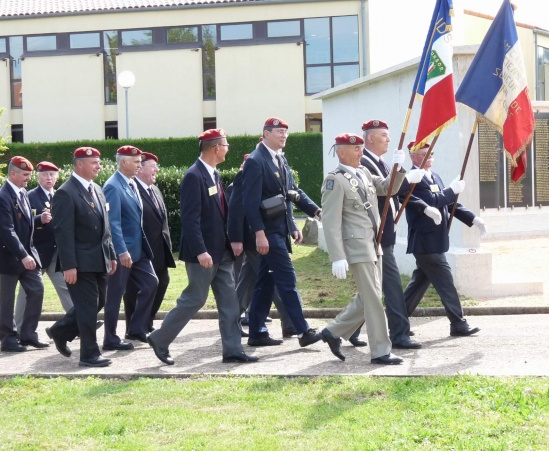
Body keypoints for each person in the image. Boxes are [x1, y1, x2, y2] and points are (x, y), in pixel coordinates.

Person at [146, 129, 257, 365]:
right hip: (204, 254)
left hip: (222, 252)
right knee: (194, 299)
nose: (228, 149)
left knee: (230, 303)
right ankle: (160, 338)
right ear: (216, 148)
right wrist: (200, 251)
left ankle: (233, 349)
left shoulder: (213, 175)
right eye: (226, 145)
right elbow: (190, 219)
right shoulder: (194, 176)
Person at [318, 133, 424, 364]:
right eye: (354, 149)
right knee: (374, 298)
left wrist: (398, 167)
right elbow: (331, 221)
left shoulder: (364, 172)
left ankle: (333, 332)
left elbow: (387, 188)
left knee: (369, 296)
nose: (359, 153)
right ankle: (380, 350)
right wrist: (337, 256)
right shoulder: (334, 180)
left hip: (373, 244)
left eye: (360, 148)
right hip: (356, 246)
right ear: (341, 152)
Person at [239, 117, 322, 348]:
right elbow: (249, 202)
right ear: (265, 134)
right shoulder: (256, 161)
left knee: (265, 283)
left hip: (279, 230)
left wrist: (313, 211)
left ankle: (256, 332)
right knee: (287, 279)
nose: (284, 135)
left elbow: (292, 192)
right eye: (279, 132)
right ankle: (303, 331)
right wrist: (259, 233)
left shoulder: (280, 159)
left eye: (286, 132)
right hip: (268, 233)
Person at [402, 142, 485, 337]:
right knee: (446, 282)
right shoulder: (413, 179)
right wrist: (451, 191)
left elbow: (449, 203)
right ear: (413, 157)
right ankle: (458, 323)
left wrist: (473, 219)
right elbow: (432, 201)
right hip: (425, 242)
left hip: (436, 241)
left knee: (418, 285)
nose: (428, 157)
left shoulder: (434, 175)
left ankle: (397, 320)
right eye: (423, 154)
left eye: (431, 154)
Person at [352, 119, 422, 349]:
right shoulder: (364, 163)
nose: (388, 139)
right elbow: (382, 190)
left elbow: (393, 190)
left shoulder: (379, 162)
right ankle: (400, 333)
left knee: (374, 287)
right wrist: (401, 174)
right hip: (376, 233)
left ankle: (349, 329)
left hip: (386, 230)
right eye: (383, 135)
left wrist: (402, 174)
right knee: (390, 285)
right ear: (370, 138)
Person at [45, 147, 117, 367]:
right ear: (79, 165)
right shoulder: (66, 192)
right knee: (87, 308)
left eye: (98, 162)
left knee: (99, 302)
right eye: (94, 162)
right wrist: (69, 266)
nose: (98, 166)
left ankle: (60, 330)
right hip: (80, 262)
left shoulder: (97, 188)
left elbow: (106, 227)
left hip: (100, 259)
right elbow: (63, 233)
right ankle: (89, 355)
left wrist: (111, 254)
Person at [102, 145, 158, 350]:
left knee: (152, 282)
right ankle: (110, 338)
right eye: (135, 162)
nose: (139, 165)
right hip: (123, 251)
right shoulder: (113, 186)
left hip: (139, 250)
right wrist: (121, 250)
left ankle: (136, 328)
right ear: (123, 162)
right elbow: (112, 222)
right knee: (115, 295)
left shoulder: (132, 183)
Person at [0, 156, 48, 352]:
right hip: (9, 258)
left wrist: (39, 220)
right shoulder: (2, 197)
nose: (28, 179)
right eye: (25, 175)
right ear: (13, 173)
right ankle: (8, 339)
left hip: (28, 256)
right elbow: (7, 231)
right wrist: (24, 255)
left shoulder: (22, 193)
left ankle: (28, 334)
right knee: (6, 300)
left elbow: (25, 222)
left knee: (37, 290)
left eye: (29, 175)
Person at [14, 161, 74, 333]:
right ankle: (18, 329)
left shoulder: (60, 195)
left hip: (57, 252)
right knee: (27, 292)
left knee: (67, 288)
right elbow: (20, 223)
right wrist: (39, 219)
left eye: (52, 175)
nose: (49, 178)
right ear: (38, 177)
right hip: (37, 252)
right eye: (45, 175)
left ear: (57, 177)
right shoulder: (29, 196)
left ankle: (76, 323)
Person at [123, 151, 175, 333]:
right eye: (153, 166)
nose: (157, 170)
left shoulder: (155, 189)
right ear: (140, 169)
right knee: (134, 290)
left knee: (162, 282)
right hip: (141, 250)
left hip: (159, 250)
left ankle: (147, 321)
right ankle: (133, 326)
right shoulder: (131, 190)